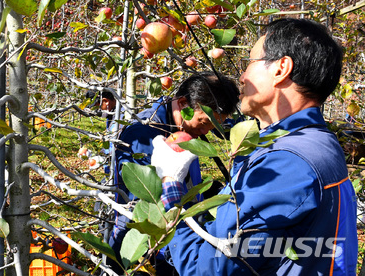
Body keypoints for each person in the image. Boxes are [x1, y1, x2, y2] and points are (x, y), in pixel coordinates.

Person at [152, 18, 358, 275]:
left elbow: (206, 269)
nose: (242, 76)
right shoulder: (318, 143)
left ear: (281, 68)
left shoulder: (286, 164)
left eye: (250, 62)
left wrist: (171, 185)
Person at [109, 72, 239, 273]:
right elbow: (147, 208)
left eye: (213, 126)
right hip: (146, 249)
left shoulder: (184, 131)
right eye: (204, 122)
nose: (206, 132)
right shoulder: (144, 136)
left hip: (178, 238)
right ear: (184, 103)